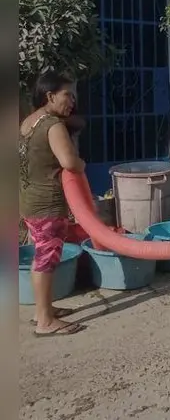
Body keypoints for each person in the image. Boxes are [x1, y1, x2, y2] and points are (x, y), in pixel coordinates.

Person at [19, 71, 86, 336]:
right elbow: (70, 162)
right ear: (50, 96)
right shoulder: (53, 125)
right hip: (47, 204)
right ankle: (46, 321)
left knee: (41, 255)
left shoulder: (29, 122)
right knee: (46, 259)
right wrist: (82, 164)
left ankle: (42, 310)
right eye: (67, 95)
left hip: (30, 201)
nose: (72, 101)